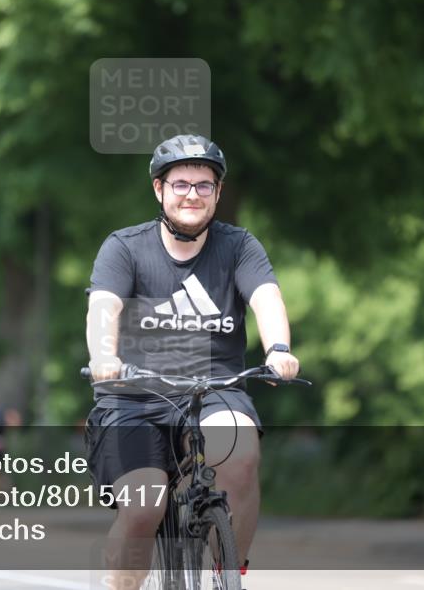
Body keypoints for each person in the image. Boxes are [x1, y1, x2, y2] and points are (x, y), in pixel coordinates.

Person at [84, 134, 300, 590]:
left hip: (214, 387)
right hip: (134, 395)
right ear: (159, 190)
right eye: (180, 183)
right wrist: (104, 355)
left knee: (240, 454)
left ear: (218, 194)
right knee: (143, 509)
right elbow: (104, 308)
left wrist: (278, 348)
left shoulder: (238, 246)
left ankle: (230, 573)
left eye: (204, 186)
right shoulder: (125, 248)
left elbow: (266, 297)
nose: (192, 195)